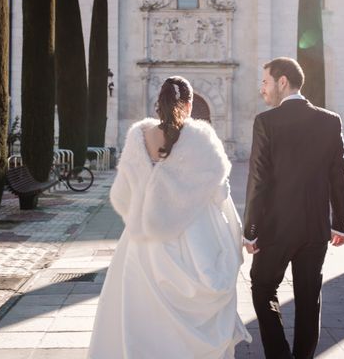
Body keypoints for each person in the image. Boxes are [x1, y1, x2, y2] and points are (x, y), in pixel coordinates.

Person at [88, 76, 250, 359]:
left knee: (142, 314)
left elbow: (122, 196)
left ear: (158, 104)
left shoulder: (139, 136)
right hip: (194, 238)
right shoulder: (202, 137)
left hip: (143, 242)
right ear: (188, 104)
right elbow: (220, 192)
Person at [244, 57, 344, 359]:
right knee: (308, 299)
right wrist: (339, 224)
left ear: (282, 82)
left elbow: (258, 181)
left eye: (265, 82)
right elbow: (338, 177)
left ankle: (279, 355)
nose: (262, 89)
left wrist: (250, 230)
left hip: (275, 229)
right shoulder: (331, 121)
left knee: (263, 289)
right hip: (315, 230)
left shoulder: (266, 122)